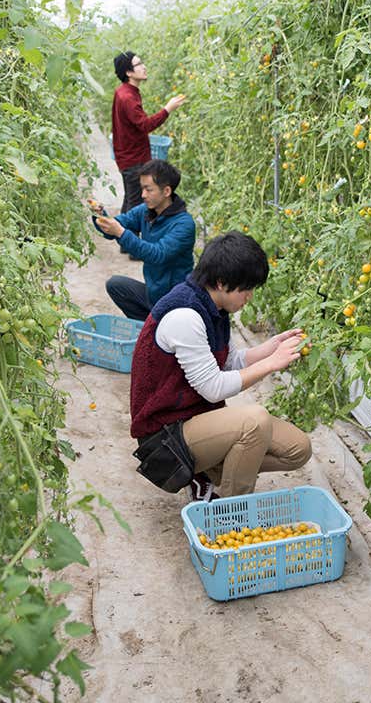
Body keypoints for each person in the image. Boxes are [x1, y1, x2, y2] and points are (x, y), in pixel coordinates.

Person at [129, 231, 312, 501]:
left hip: (196, 420)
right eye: (245, 289)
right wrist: (272, 364)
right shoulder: (185, 316)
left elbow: (229, 362)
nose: (249, 297)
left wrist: (269, 348)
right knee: (255, 421)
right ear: (221, 283)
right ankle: (229, 513)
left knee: (298, 448)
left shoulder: (216, 309)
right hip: (166, 435)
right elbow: (213, 388)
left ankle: (207, 474)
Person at [92, 160, 195, 322]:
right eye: (142, 189)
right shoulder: (146, 211)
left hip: (177, 302)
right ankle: (150, 328)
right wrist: (101, 216)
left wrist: (120, 232)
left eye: (148, 190)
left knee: (166, 326)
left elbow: (157, 254)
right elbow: (118, 224)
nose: (143, 195)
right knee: (116, 285)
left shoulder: (184, 224)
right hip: (153, 295)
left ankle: (158, 328)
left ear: (166, 191)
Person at [111, 51, 186, 214]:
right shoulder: (128, 97)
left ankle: (120, 234)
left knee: (131, 200)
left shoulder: (124, 91)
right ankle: (126, 236)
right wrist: (167, 109)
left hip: (128, 156)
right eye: (138, 64)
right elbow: (145, 125)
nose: (144, 67)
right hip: (133, 160)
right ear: (129, 72)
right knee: (136, 205)